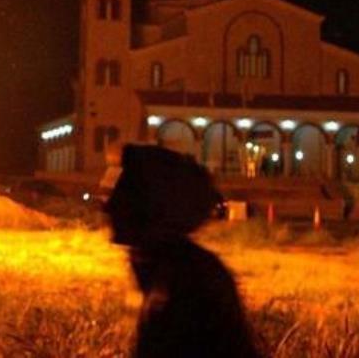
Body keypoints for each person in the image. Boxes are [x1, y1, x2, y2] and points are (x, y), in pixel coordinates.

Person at [105, 145, 261, 358]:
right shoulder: (161, 265)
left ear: (152, 207)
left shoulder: (190, 279)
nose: (110, 206)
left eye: (124, 193)